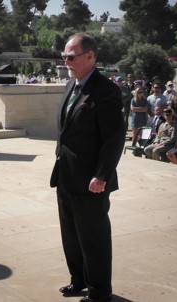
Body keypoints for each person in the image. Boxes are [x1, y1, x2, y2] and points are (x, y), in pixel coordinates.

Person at [50, 32, 125, 302]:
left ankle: (99, 291)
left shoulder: (106, 90)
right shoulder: (72, 85)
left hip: (91, 180)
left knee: (94, 238)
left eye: (71, 56)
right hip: (66, 175)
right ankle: (78, 279)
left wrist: (102, 175)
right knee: (70, 234)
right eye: (64, 56)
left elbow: (114, 138)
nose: (65, 61)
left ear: (90, 56)